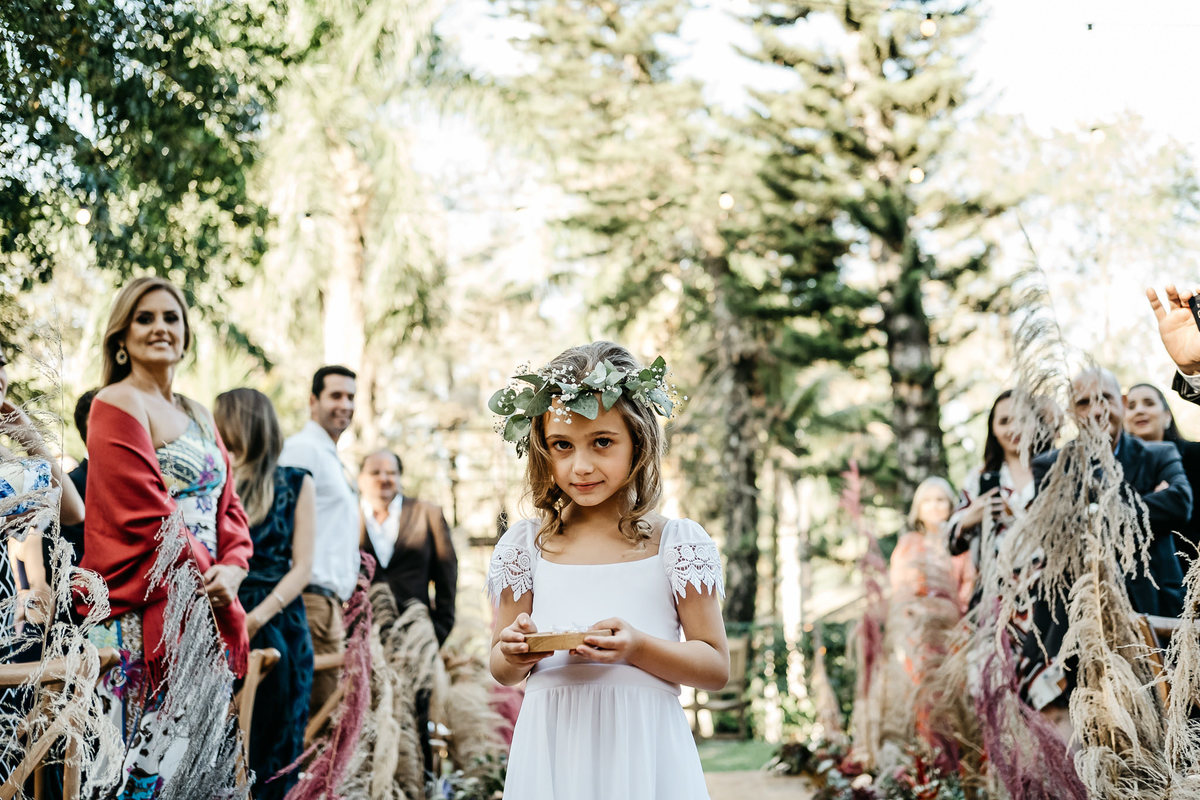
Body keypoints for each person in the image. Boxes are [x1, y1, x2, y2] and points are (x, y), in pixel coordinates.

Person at [487, 342, 728, 800]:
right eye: (562, 445)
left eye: (602, 442)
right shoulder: (525, 546)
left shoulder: (676, 543)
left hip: (643, 748)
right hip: (553, 748)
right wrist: (515, 651)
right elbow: (500, 667)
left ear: (638, 441)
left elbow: (715, 666)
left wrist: (637, 647)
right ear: (543, 450)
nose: (581, 466)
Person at [79, 276, 253, 796]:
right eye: (145, 318)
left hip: (206, 605)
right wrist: (209, 574)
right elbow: (145, 514)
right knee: (138, 778)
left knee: (196, 775)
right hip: (141, 615)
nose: (160, 328)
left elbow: (229, 505)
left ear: (185, 334)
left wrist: (234, 570)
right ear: (121, 337)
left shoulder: (198, 412)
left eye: (170, 317)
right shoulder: (115, 403)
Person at [214, 388, 315, 800]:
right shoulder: (212, 480)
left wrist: (255, 619)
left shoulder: (295, 481)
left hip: (276, 618)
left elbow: (303, 568)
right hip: (220, 612)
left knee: (272, 745)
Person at [278, 365, 361, 714]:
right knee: (315, 715)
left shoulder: (331, 458)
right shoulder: (302, 450)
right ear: (313, 401)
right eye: (335, 396)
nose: (345, 404)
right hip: (308, 601)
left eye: (351, 397)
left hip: (329, 605)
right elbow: (280, 524)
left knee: (326, 713)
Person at [359, 449, 458, 645]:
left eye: (391, 473)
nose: (384, 478)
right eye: (375, 472)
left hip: (417, 638)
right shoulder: (347, 518)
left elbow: (447, 574)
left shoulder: (428, 514)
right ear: (361, 479)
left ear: (400, 477)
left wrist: (439, 630)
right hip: (362, 639)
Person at [946, 390, 1040, 589]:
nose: (1014, 428)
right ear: (993, 429)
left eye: (1023, 419)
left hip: (1050, 591)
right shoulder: (979, 478)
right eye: (1004, 421)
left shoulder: (1053, 471)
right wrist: (969, 519)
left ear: (1036, 422)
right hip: (996, 592)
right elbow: (950, 543)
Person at [1125, 382, 1200, 562]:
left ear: (1167, 416)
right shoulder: (1115, 470)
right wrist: (1161, 502)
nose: (1139, 410)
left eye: (1149, 403)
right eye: (1131, 406)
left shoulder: (1196, 456)